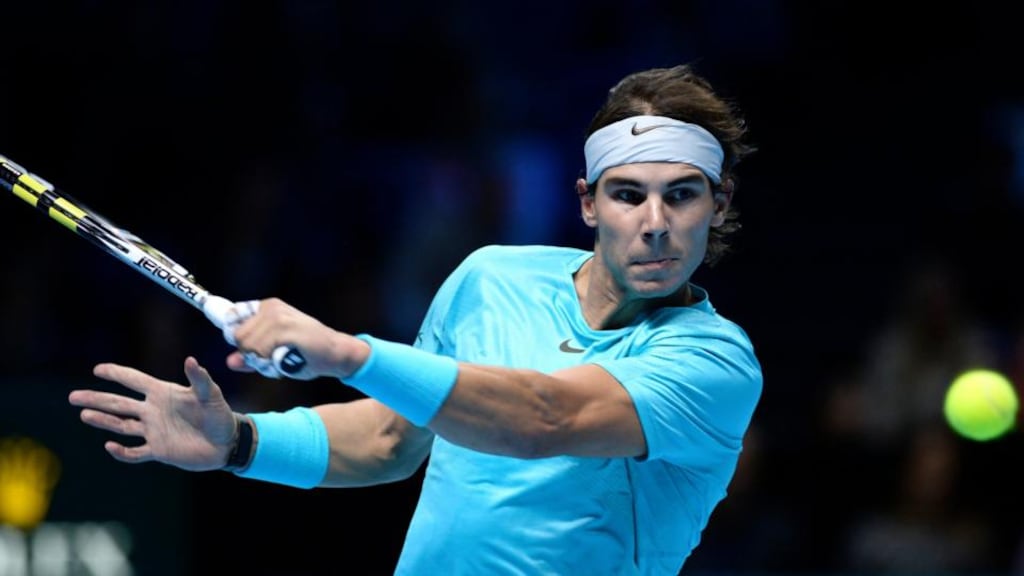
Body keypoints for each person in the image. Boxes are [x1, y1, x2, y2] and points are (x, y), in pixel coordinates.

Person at [67, 63, 763, 575]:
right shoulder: (490, 278)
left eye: (681, 196)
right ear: (587, 203)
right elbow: (391, 437)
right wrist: (243, 442)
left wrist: (348, 354)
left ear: (720, 203)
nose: (655, 225)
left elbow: (543, 419)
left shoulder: (714, 363)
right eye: (627, 195)